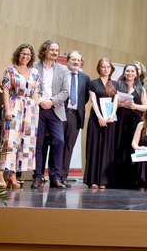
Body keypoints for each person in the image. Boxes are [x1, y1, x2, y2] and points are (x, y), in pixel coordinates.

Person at [0, 44, 40, 189]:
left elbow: (35, 91)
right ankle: (0, 174)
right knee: (9, 141)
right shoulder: (10, 71)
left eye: (28, 54)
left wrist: (36, 105)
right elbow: (5, 91)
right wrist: (7, 109)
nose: (25, 56)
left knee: (23, 142)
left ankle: (13, 175)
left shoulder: (34, 72)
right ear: (18, 54)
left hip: (30, 110)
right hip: (14, 105)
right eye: (22, 53)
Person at [31, 40, 70, 189]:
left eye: (57, 50)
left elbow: (65, 92)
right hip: (38, 109)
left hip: (55, 109)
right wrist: (41, 101)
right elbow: (31, 87)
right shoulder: (34, 67)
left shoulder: (62, 69)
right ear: (44, 51)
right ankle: (38, 177)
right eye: (52, 50)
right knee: (38, 143)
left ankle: (55, 177)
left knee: (59, 141)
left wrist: (51, 101)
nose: (55, 53)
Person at [84, 58, 118, 189]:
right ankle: (92, 179)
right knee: (94, 147)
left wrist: (113, 114)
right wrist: (99, 116)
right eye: (103, 67)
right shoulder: (92, 83)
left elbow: (116, 100)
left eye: (108, 67)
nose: (105, 69)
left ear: (111, 69)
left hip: (110, 118)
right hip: (96, 118)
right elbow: (93, 101)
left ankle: (104, 180)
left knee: (107, 148)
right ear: (99, 68)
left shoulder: (115, 83)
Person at [114, 63, 147, 188]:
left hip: (135, 120)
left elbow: (146, 107)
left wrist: (135, 106)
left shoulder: (141, 88)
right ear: (124, 73)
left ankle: (132, 179)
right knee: (119, 146)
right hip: (120, 120)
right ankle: (118, 179)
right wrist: (122, 103)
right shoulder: (118, 86)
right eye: (127, 71)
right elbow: (112, 104)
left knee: (132, 147)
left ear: (136, 73)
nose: (129, 73)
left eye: (132, 71)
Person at [60, 50, 89, 187]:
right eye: (73, 59)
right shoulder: (60, 73)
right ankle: (53, 175)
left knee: (68, 147)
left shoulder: (85, 78)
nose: (76, 62)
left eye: (78, 60)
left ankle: (63, 176)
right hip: (60, 114)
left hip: (75, 116)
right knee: (57, 145)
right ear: (67, 61)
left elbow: (85, 98)